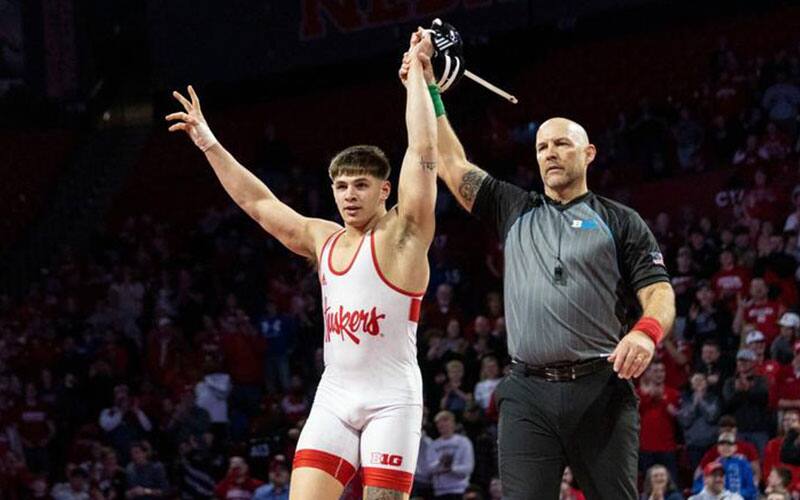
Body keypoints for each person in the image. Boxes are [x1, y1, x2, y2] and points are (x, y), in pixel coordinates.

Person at [399, 29, 675, 499]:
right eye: (543, 146)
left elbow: (660, 293)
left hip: (600, 389)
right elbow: (449, 162)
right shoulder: (514, 208)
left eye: (562, 144)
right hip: (527, 393)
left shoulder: (619, 220)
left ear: (587, 154)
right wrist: (426, 89)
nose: (549, 153)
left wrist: (644, 333)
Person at [167, 30, 439, 500]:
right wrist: (209, 143)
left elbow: (423, 154)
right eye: (341, 186)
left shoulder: (403, 237)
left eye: (359, 185)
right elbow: (258, 203)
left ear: (384, 191)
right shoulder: (323, 239)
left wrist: (418, 74)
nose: (349, 195)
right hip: (335, 397)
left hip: (393, 401)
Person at [426, 411, 474, 499]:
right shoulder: (433, 445)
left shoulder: (463, 442)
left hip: (460, 490)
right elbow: (428, 469)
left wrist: (451, 468)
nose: (442, 425)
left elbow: (468, 468)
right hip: (439, 491)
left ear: (453, 423)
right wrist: (440, 462)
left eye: (445, 421)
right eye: (439, 423)